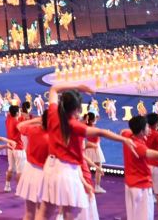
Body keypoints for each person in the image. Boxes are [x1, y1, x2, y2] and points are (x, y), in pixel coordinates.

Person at [38, 83, 135, 220]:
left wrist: (78, 87)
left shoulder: (53, 114)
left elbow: (54, 89)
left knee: (45, 212)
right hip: (66, 171)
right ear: (77, 109)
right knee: (69, 213)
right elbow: (101, 132)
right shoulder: (74, 125)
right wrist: (124, 139)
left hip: (50, 166)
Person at [15, 111, 50, 220]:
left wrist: (35, 120)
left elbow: (19, 125)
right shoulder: (54, 137)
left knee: (29, 213)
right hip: (44, 175)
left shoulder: (32, 129)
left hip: (29, 172)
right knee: (41, 214)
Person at [5, 105, 25, 193]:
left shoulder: (8, 120)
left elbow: (10, 113)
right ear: (17, 113)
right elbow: (24, 131)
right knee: (20, 171)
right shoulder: (17, 123)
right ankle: (19, 190)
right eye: (19, 111)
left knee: (10, 168)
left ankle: (7, 186)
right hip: (18, 148)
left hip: (10, 147)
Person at [83, 113, 106, 193]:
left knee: (87, 168)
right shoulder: (94, 129)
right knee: (98, 166)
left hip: (88, 148)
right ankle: (97, 186)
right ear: (93, 120)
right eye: (95, 118)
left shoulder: (85, 127)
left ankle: (85, 185)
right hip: (95, 147)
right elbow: (98, 138)